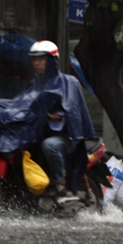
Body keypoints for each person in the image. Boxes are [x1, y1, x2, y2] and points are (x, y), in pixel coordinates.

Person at [28, 40, 96, 197]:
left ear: (52, 60)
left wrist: (54, 115)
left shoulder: (68, 82)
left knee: (49, 145)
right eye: (34, 59)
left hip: (67, 136)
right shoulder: (34, 84)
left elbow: (72, 109)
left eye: (41, 59)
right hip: (41, 132)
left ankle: (60, 181)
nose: (37, 63)